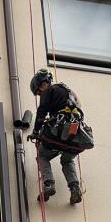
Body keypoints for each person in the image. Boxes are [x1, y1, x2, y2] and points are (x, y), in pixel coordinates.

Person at [29, 68, 85, 205]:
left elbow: (41, 112)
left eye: (38, 92)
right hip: (75, 135)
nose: (40, 94)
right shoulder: (70, 93)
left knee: (42, 155)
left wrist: (36, 132)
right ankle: (74, 187)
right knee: (67, 160)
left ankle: (49, 184)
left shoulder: (49, 91)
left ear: (42, 84)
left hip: (59, 131)